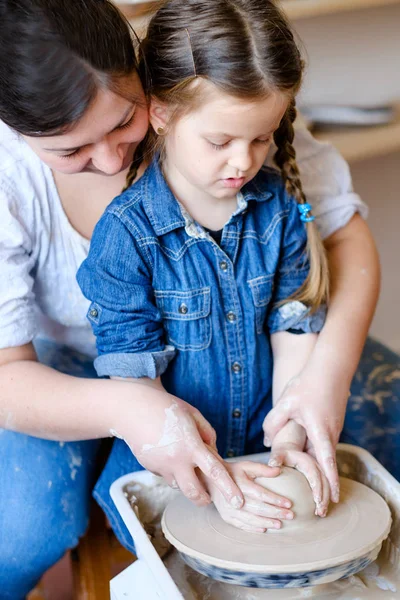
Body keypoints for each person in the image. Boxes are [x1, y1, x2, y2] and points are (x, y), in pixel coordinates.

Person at [0, 0, 396, 597]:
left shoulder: (229, 117)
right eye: (70, 151)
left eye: (121, 122)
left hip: (250, 343)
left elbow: (336, 244)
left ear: (150, 91)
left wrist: (320, 382)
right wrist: (135, 412)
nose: (111, 160)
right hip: (68, 369)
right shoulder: (46, 193)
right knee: (23, 531)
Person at [77, 0, 333, 530]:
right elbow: (134, 380)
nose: (243, 161)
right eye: (220, 141)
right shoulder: (126, 235)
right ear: (163, 113)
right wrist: (212, 479)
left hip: (261, 441)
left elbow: (293, 326)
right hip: (169, 464)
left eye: (261, 137)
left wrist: (286, 441)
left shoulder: (281, 207)